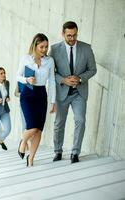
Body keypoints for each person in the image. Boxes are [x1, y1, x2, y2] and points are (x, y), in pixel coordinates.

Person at [50, 21, 97, 163]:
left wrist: (80, 78)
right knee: (59, 123)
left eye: (74, 35)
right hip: (62, 93)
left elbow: (93, 69)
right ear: (62, 33)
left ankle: (75, 153)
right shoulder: (54, 49)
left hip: (79, 93)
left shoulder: (86, 48)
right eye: (69, 35)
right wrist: (63, 80)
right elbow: (52, 72)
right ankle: (58, 151)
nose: (72, 38)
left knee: (80, 121)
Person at [17, 33, 56, 166]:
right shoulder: (26, 59)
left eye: (46, 47)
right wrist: (26, 79)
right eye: (41, 47)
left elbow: (52, 81)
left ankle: (31, 158)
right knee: (32, 128)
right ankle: (23, 142)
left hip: (41, 95)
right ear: (35, 46)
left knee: (39, 129)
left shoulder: (49, 61)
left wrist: (53, 101)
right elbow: (18, 76)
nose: (44, 50)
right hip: (28, 94)